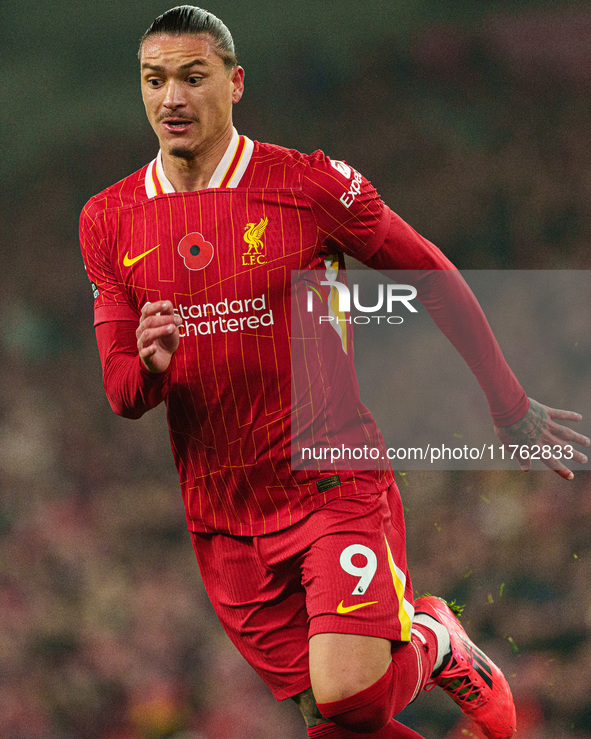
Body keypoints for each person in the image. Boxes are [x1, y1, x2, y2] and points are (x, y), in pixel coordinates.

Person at [79, 7, 589, 738]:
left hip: (330, 478)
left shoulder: (309, 184)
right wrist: (153, 368)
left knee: (350, 696)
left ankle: (437, 635)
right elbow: (122, 392)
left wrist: (506, 403)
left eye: (193, 77)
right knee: (334, 720)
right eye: (153, 80)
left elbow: (431, 273)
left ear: (235, 81)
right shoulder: (108, 218)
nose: (172, 99)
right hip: (223, 511)